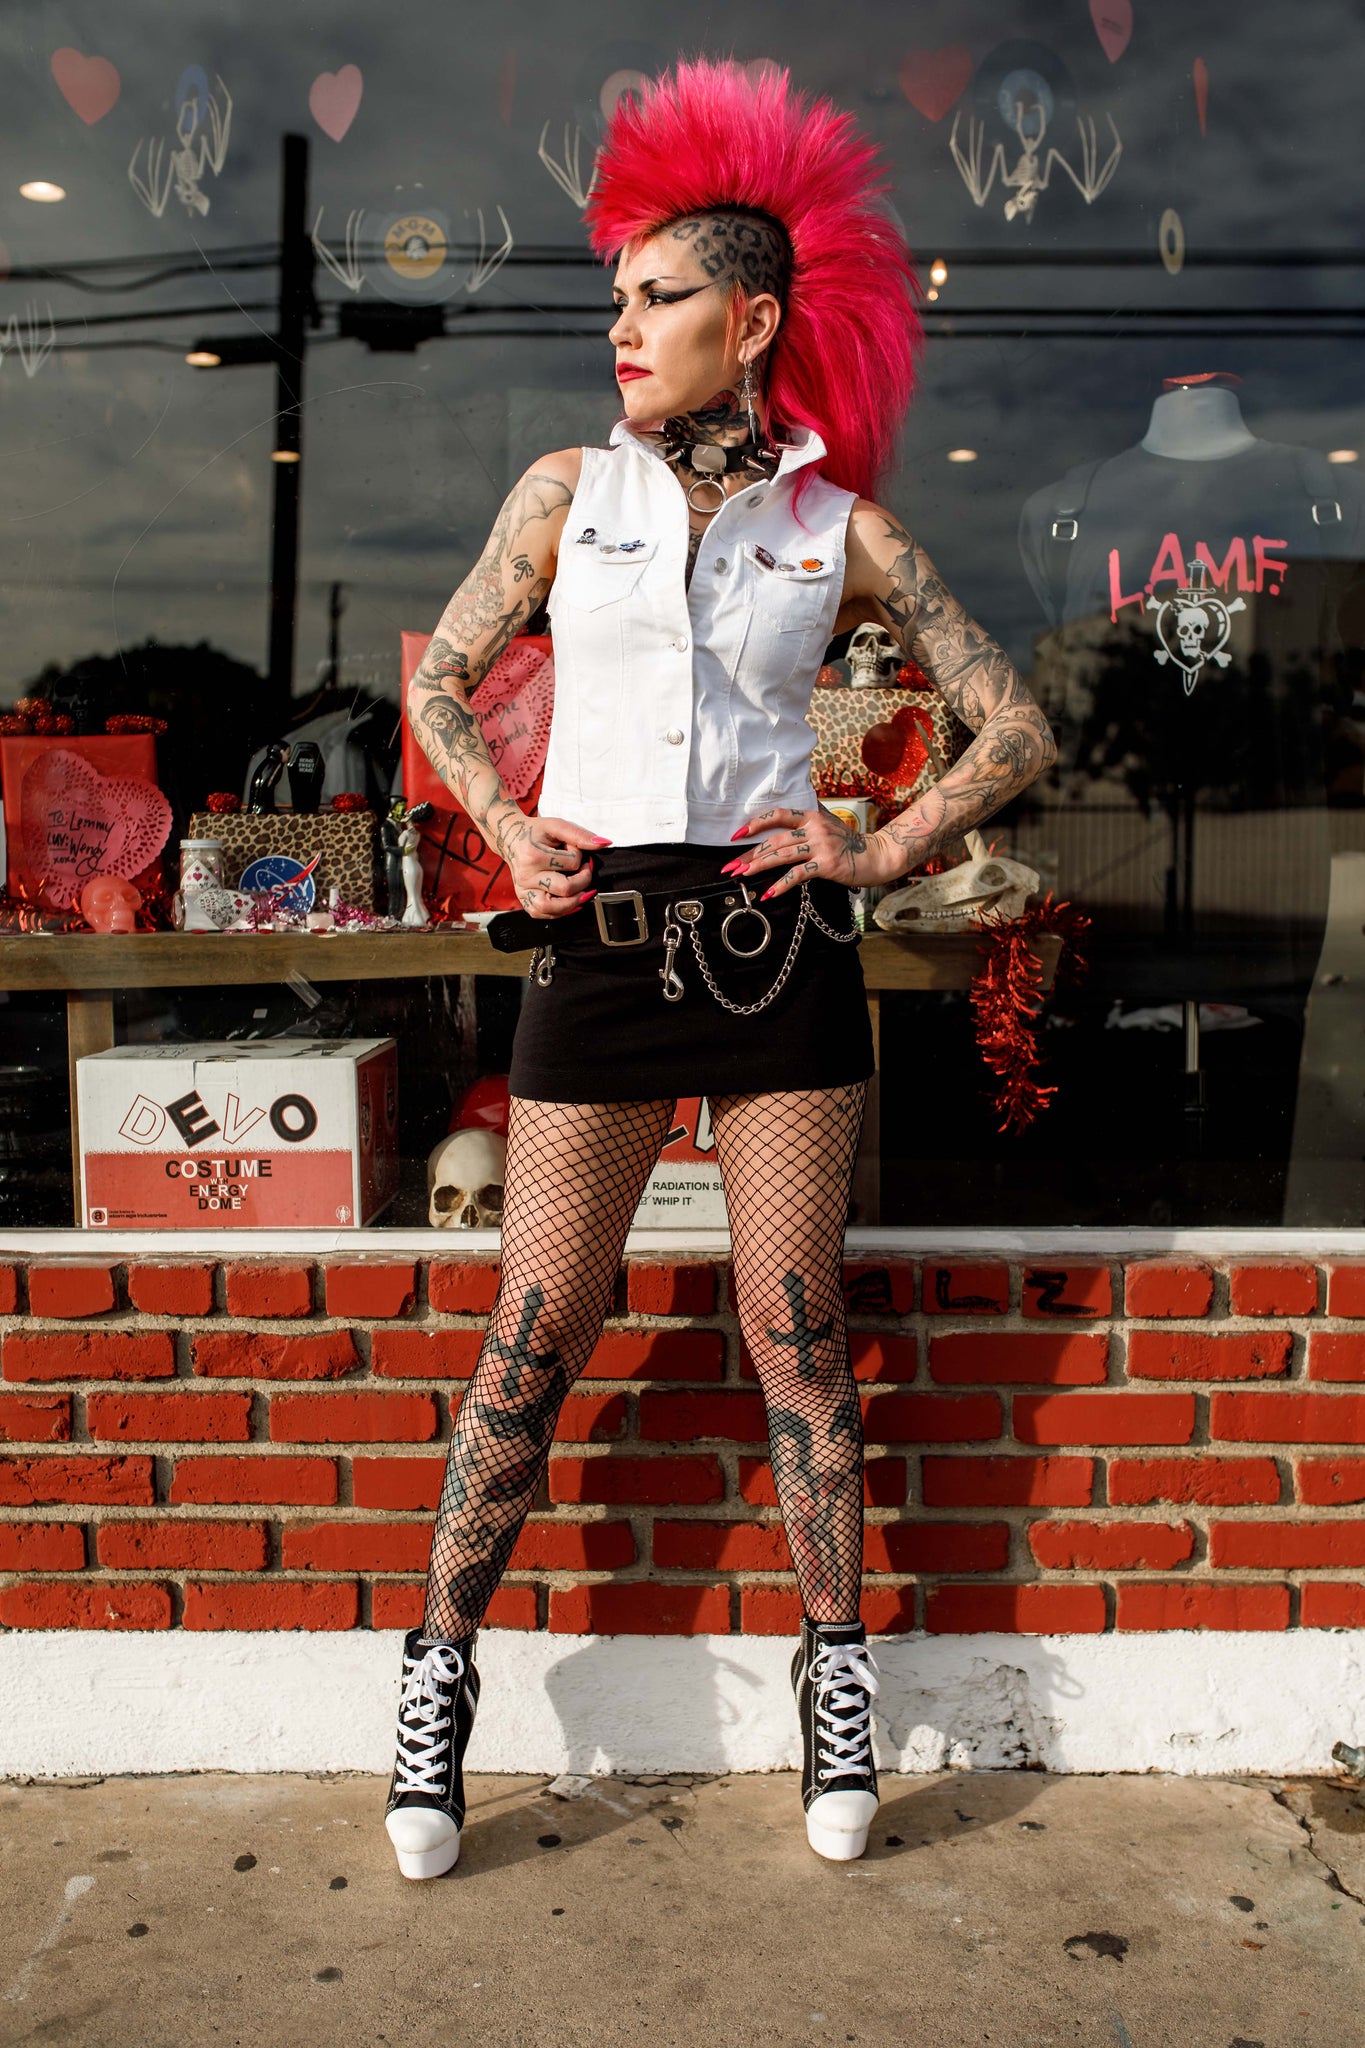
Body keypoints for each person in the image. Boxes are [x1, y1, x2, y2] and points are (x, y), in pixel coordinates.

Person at [387, 56, 1056, 1882]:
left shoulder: (840, 529)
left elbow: (1012, 724)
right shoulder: (563, 491)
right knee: (537, 1326)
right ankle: (435, 1683)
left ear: (750, 322)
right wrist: (505, 821)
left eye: (656, 295)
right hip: (597, 942)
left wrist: (877, 848)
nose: (620, 326)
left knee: (793, 1336)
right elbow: (438, 680)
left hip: (780, 955)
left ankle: (836, 1678)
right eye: (616, 296)